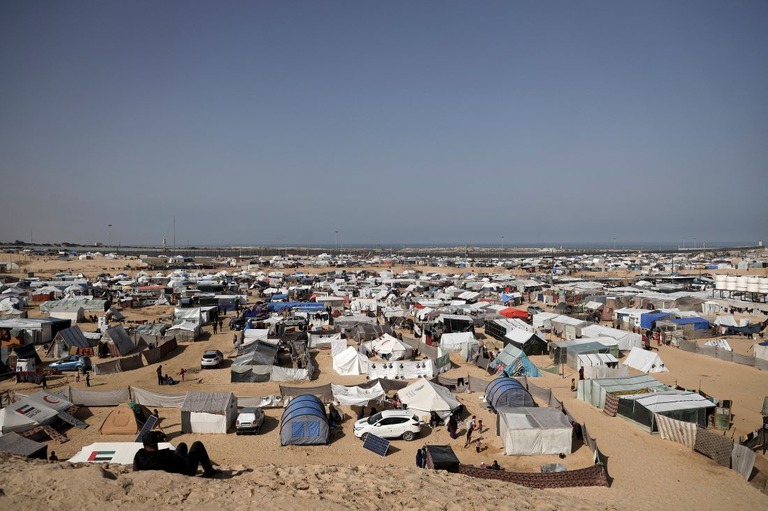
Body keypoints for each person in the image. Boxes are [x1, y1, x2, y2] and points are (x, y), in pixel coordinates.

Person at [133, 431, 219, 478]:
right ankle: (209, 471)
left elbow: (135, 471)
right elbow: (180, 462)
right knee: (197, 445)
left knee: (182, 445)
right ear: (156, 443)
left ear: (144, 444)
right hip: (185, 473)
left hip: (165, 469)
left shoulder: (139, 455)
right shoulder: (163, 455)